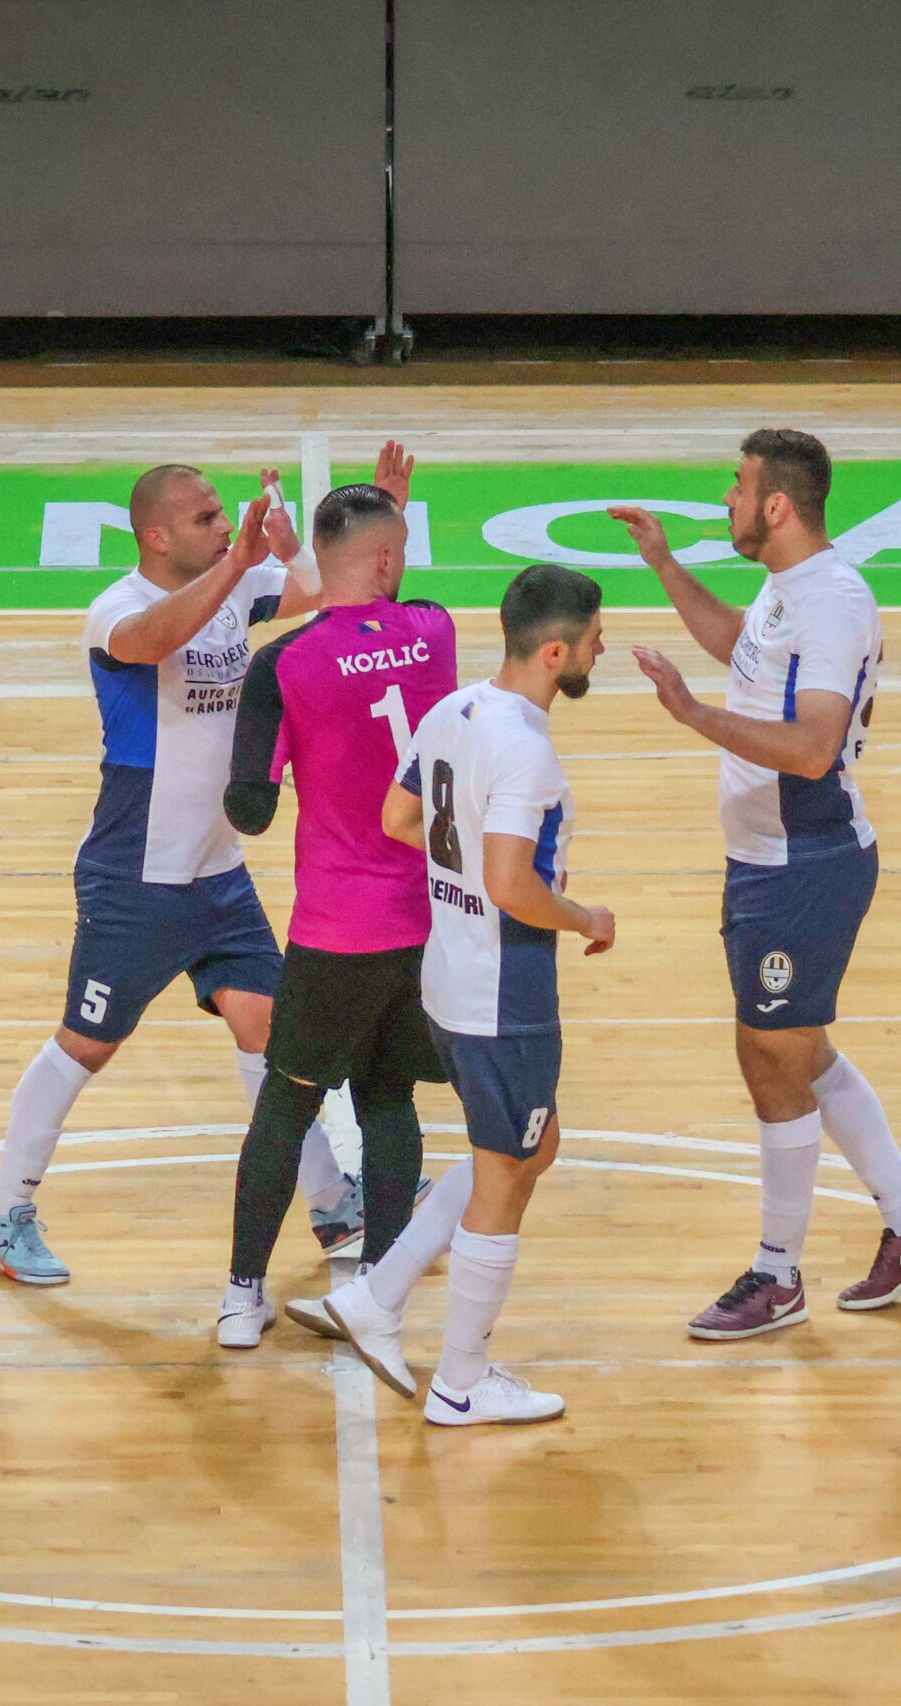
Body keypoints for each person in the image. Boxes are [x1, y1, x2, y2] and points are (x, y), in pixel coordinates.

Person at [0, 463, 362, 1285]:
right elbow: (154, 642)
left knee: (273, 1034)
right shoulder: (117, 610)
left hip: (218, 872)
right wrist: (238, 565)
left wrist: (302, 543)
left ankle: (334, 1205)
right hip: (135, 878)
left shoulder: (236, 583)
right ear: (155, 535)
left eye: (223, 515)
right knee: (88, 1044)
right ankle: (3, 1210)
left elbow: (323, 592)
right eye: (205, 518)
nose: (223, 526)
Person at [609, 429, 901, 1343]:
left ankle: (778, 1275)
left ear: (776, 505)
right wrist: (665, 565)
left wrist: (693, 715)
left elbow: (811, 748)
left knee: (771, 1062)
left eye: (737, 486)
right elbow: (745, 648)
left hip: (807, 863)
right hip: (767, 858)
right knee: (797, 1051)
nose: (725, 499)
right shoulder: (785, 587)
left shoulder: (833, 603)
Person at [290, 564, 615, 1426]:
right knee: (507, 1175)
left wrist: (462, 870)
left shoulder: (452, 711)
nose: (602, 649)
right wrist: (584, 916)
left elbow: (398, 819)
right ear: (555, 652)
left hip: (448, 974)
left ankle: (376, 1296)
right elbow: (512, 885)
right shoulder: (527, 750)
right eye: (593, 639)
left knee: (527, 1149)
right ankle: (464, 1382)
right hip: (505, 993)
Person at [216, 452, 459, 1348]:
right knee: (389, 1098)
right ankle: (379, 1294)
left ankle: (242, 1296)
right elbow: (379, 602)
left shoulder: (284, 665)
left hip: (336, 928)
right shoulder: (436, 630)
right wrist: (385, 513)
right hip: (425, 924)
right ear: (390, 556)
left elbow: (249, 809)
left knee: (287, 1101)